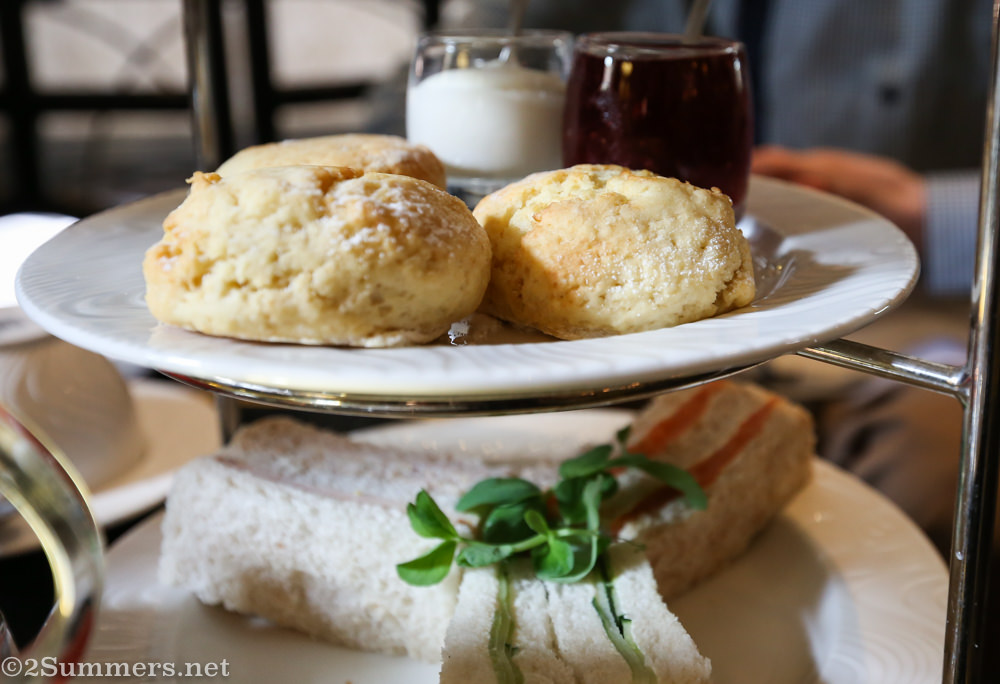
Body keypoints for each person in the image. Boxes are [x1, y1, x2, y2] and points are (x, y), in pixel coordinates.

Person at [434, 0, 991, 556]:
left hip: (894, 336)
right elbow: (441, 81)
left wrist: (929, 212)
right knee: (479, 464)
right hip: (607, 343)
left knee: (944, 469)